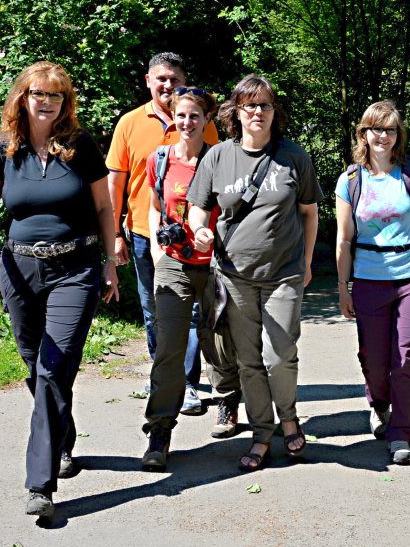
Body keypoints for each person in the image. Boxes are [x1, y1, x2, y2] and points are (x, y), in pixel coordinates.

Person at [0, 62, 119, 521]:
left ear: (64, 102)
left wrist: (111, 262)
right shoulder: (3, 149)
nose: (48, 102)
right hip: (19, 269)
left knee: (54, 367)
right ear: (23, 97)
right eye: (40, 94)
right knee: (36, 365)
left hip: (75, 267)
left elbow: (103, 207)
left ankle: (40, 482)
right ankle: (62, 435)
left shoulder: (82, 147)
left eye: (57, 95)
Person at [187, 75, 323, 472]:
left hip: (283, 274)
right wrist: (199, 229)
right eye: (250, 105)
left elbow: (309, 213)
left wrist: (308, 262)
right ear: (237, 112)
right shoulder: (217, 156)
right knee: (248, 360)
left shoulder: (293, 156)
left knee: (279, 356)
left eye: (264, 105)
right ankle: (262, 434)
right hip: (233, 276)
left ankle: (290, 418)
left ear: (273, 111)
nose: (257, 112)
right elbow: (198, 205)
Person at [106, 53, 222, 423]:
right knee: (153, 312)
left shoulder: (200, 122)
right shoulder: (129, 123)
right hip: (143, 233)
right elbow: (116, 181)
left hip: (197, 242)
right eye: (161, 78)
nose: (167, 85)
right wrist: (114, 233)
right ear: (148, 81)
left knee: (191, 315)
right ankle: (164, 376)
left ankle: (186, 384)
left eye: (174, 78)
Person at [335, 101, 410, 466]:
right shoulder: (350, 180)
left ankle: (401, 433)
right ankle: (379, 404)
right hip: (368, 279)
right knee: (374, 360)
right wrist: (342, 286)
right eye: (376, 129)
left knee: (406, 356)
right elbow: (344, 240)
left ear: (398, 136)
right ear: (363, 133)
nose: (382, 136)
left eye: (390, 129)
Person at [140, 87, 238, 469]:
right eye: (180, 115)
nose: (187, 123)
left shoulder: (221, 161)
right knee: (170, 348)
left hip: (216, 264)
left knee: (218, 341)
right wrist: (154, 248)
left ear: (207, 119)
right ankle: (160, 429)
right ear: (172, 117)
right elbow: (152, 207)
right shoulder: (160, 159)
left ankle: (227, 400)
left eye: (194, 116)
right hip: (174, 263)